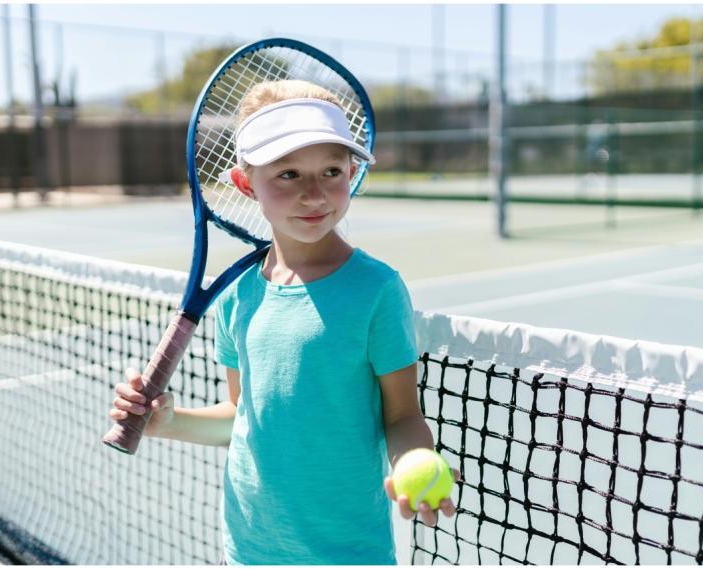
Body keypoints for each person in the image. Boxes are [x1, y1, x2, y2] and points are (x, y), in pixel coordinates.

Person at [109, 80, 459, 564]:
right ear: (246, 184)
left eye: (331, 171)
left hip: (347, 552)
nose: (314, 194)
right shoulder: (238, 298)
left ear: (352, 172)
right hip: (251, 546)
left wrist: (412, 463)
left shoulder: (377, 290)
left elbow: (401, 415)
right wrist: (168, 422)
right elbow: (241, 415)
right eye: (289, 173)